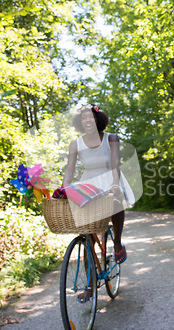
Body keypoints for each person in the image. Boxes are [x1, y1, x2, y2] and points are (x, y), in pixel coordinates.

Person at [63, 104, 135, 274]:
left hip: (111, 177)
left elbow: (115, 163)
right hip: (89, 183)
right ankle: (90, 285)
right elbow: (70, 170)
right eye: (84, 117)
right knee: (88, 237)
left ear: (97, 119)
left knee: (116, 200)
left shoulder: (111, 138)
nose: (88, 120)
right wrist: (63, 189)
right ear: (80, 122)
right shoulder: (75, 144)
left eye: (91, 116)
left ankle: (117, 242)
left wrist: (115, 184)